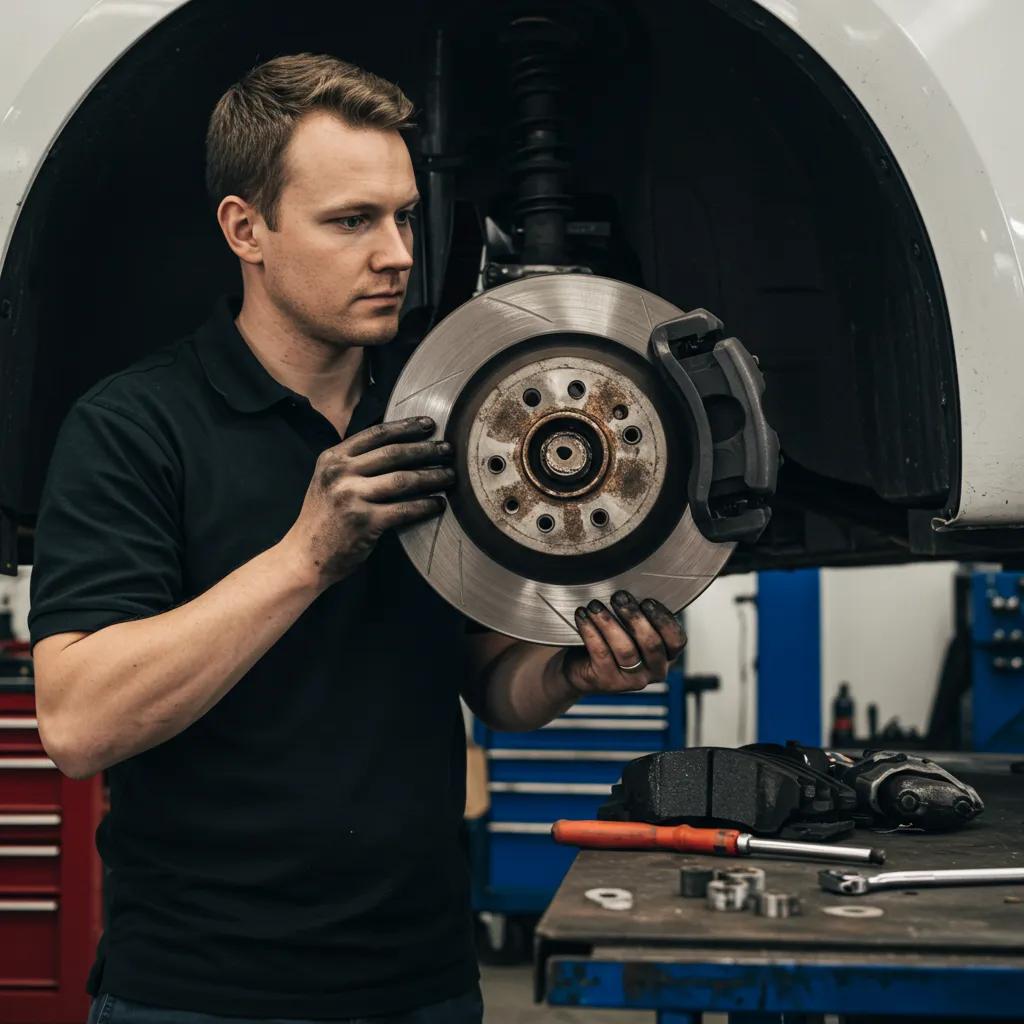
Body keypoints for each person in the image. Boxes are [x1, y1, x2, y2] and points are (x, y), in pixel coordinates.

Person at [29, 53, 686, 1024]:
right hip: (199, 990)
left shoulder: (450, 417)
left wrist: (570, 669)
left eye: (403, 215)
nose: (398, 253)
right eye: (351, 222)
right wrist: (306, 556)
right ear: (245, 229)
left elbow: (486, 679)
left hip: (419, 980)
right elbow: (79, 723)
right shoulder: (134, 427)